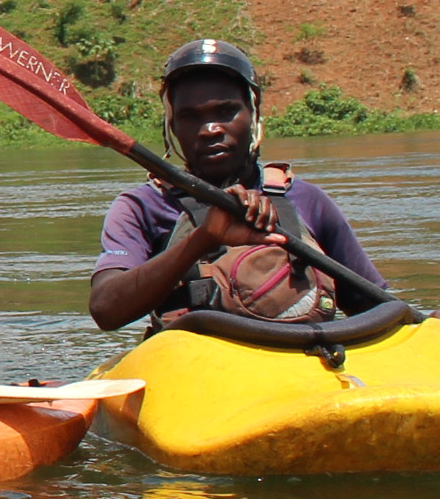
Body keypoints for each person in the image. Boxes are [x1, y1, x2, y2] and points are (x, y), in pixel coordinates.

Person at [88, 38, 381, 331]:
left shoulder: (307, 200)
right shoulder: (142, 207)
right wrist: (203, 239)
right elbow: (106, 311)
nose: (210, 130)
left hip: (299, 365)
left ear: (252, 114)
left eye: (226, 111)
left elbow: (376, 308)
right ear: (173, 126)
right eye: (190, 117)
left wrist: (422, 326)